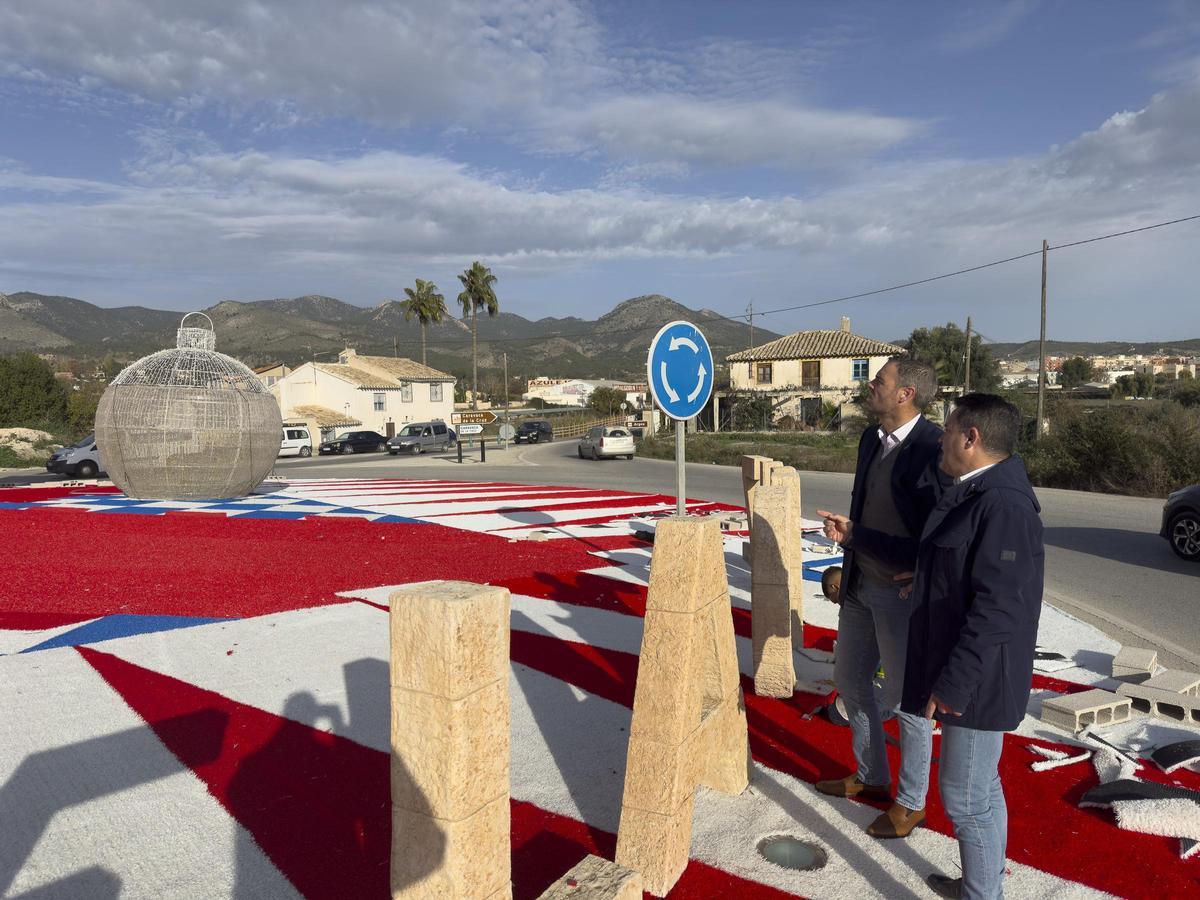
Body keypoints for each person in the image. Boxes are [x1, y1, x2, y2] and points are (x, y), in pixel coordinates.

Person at [903, 393, 1044, 899]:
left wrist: (955, 683)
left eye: (947, 429)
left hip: (979, 679)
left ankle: (982, 895)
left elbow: (999, 606)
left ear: (972, 437)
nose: (940, 438)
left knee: (965, 799)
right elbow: (967, 574)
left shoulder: (1001, 502)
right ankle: (981, 884)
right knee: (981, 791)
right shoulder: (978, 489)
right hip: (975, 670)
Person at [814, 356, 943, 839]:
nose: (872, 385)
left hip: (900, 593)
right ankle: (871, 776)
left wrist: (926, 572)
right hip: (860, 584)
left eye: (881, 380)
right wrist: (850, 535)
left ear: (905, 393)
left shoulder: (934, 448)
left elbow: (942, 532)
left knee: (908, 700)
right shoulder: (871, 439)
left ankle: (910, 803)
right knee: (850, 679)